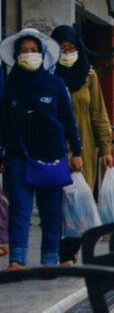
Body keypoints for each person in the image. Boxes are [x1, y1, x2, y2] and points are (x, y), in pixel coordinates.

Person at [0, 29, 83, 270]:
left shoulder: (56, 84)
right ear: (16, 55)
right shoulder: (11, 85)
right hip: (17, 156)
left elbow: (69, 121)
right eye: (24, 51)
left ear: (42, 53)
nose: (29, 55)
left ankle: (49, 258)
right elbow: (3, 122)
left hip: (52, 157)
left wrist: (76, 152)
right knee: (19, 208)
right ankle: (17, 258)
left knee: (51, 212)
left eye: (34, 51)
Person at [51, 25, 114, 265]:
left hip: (84, 148)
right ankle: (59, 250)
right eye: (62, 48)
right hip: (54, 146)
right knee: (57, 201)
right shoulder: (49, 76)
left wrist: (106, 148)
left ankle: (70, 249)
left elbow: (99, 114)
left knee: (80, 199)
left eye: (71, 47)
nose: (67, 52)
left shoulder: (88, 76)